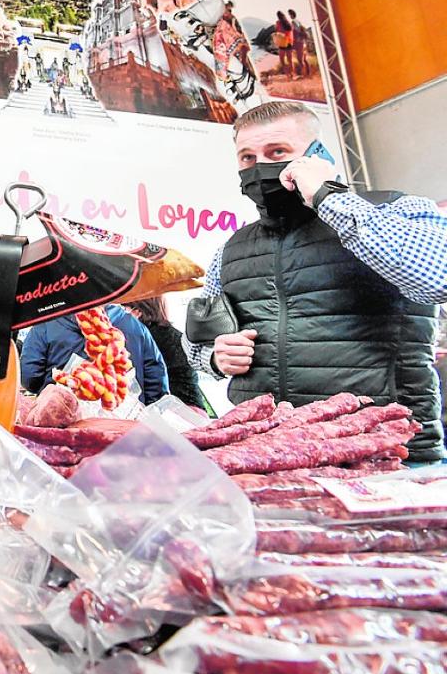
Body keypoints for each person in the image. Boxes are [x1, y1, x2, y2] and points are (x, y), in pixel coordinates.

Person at [185, 101, 447, 463]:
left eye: (277, 152)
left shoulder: (395, 209)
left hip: (383, 450)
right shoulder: (231, 249)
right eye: (247, 157)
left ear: (317, 155)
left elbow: (437, 277)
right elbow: (198, 342)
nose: (260, 167)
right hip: (269, 455)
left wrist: (328, 196)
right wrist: (216, 357)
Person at [20, 304, 169, 404]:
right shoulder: (134, 326)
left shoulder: (45, 324)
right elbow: (156, 385)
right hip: (122, 428)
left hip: (61, 424)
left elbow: (29, 378)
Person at [126, 296, 206, 409]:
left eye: (124, 309)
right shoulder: (170, 334)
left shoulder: (145, 338)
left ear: (137, 311)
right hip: (191, 408)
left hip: (174, 411)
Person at [288, 8, 309, 77]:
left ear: (292, 15)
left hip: (298, 42)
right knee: (303, 58)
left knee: (299, 59)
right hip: (301, 41)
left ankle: (303, 74)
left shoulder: (293, 22)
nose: (289, 16)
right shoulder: (298, 21)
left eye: (289, 14)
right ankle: (307, 73)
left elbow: (297, 31)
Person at [274, 10, 295, 75]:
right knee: (290, 60)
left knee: (282, 59)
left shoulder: (278, 23)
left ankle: (287, 73)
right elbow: (291, 32)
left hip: (282, 42)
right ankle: (292, 73)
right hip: (289, 42)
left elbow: (277, 31)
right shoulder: (288, 23)